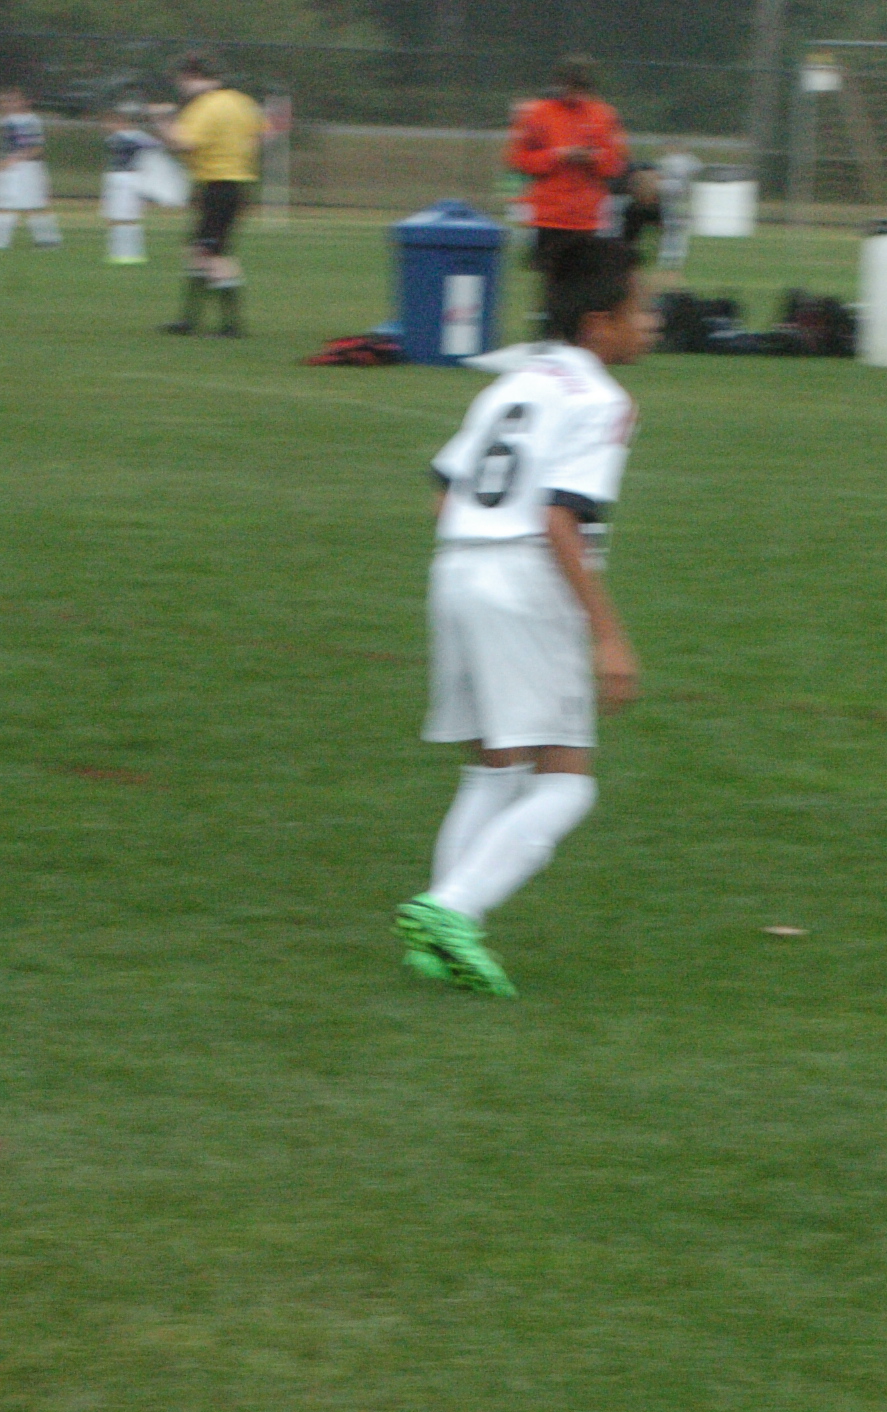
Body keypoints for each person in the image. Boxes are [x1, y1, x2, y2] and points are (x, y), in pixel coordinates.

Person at [393, 238, 656, 999]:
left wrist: (480, 551)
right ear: (600, 324)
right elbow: (558, 519)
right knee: (568, 785)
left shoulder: (515, 382)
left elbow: (445, 489)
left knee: (493, 768)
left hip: (456, 570)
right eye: (640, 309)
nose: (652, 322)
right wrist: (608, 634)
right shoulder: (602, 401)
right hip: (524, 582)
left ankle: (437, 936)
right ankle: (453, 909)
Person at [154, 54, 262, 338]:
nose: (180, 88)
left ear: (191, 77)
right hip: (236, 185)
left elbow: (183, 143)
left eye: (181, 82)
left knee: (212, 254)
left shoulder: (205, 105)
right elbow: (259, 137)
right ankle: (189, 320)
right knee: (199, 250)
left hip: (218, 185)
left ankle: (231, 326)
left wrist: (162, 120)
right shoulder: (242, 102)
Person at [504, 57, 627, 285]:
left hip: (588, 219)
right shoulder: (537, 113)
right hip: (550, 217)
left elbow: (615, 164)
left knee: (584, 285)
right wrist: (557, 156)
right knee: (551, 285)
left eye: (581, 89)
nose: (576, 96)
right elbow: (519, 160)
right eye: (570, 88)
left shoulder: (604, 115)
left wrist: (592, 158)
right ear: (559, 85)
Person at [0, 87, 61, 251]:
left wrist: (10, 161)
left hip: (25, 168)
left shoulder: (28, 121)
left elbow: (36, 147)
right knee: (4, 203)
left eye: (13, 100)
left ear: (25, 102)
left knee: (30, 205)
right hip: (11, 167)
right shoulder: (8, 121)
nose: (6, 104)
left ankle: (47, 241)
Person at [100, 104, 160, 265]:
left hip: (129, 178)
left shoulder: (135, 137)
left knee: (129, 216)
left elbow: (154, 147)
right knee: (113, 216)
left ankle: (132, 253)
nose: (107, 125)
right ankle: (117, 252)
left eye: (111, 121)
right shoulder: (113, 138)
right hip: (114, 177)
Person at [653, 144, 700, 270]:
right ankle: (676, 257)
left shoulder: (666, 160)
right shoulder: (687, 160)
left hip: (669, 192)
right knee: (677, 227)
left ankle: (666, 257)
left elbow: (657, 175)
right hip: (679, 193)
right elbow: (696, 169)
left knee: (670, 227)